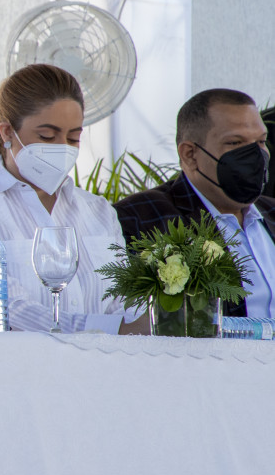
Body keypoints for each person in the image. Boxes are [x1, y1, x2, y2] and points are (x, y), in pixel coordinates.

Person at [0, 63, 145, 333]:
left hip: (103, 358)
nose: (62, 148)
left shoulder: (98, 211)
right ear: (7, 132)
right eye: (47, 136)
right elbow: (9, 311)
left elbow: (124, 300)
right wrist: (107, 329)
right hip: (9, 360)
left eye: (73, 138)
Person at [116, 89, 275, 319]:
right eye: (235, 142)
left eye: (260, 141)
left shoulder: (271, 211)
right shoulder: (140, 217)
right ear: (190, 154)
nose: (256, 155)